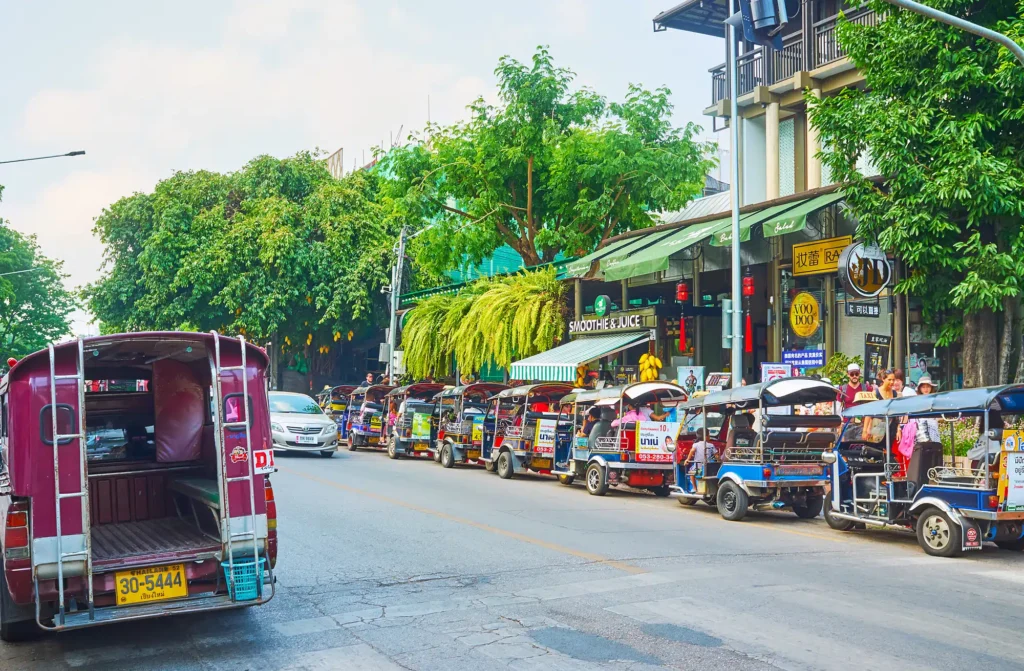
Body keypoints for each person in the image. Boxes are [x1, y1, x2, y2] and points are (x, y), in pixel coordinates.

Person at [914, 375, 940, 444]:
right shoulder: (916, 400)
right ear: (920, 388)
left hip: (933, 427)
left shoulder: (935, 399)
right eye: (923, 387)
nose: (926, 389)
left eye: (928, 387)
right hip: (921, 428)